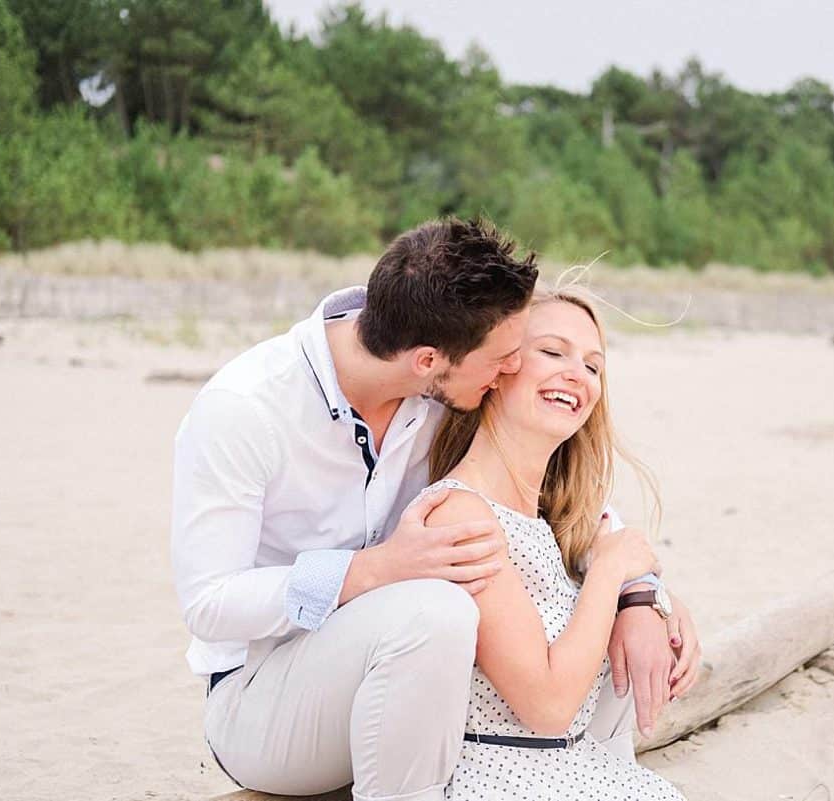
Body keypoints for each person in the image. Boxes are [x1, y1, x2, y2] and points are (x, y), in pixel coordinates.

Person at [170, 218, 700, 800]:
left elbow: (568, 508)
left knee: (571, 612)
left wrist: (640, 594)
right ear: (428, 360)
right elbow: (209, 604)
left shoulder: (448, 387)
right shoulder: (245, 409)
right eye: (504, 358)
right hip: (266, 699)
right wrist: (372, 570)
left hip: (407, 697)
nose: (510, 369)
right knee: (433, 610)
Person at [421, 288, 694, 800]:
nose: (579, 375)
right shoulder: (461, 513)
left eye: (594, 366)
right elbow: (546, 708)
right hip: (504, 777)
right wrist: (610, 577)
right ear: (497, 369)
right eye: (552, 352)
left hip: (574, 766)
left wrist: (649, 601)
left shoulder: (551, 519)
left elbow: (622, 557)